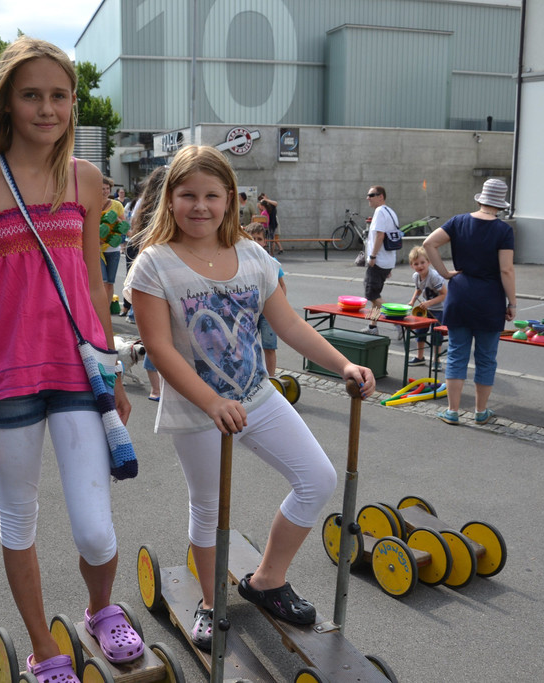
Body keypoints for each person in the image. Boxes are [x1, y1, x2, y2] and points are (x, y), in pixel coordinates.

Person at [125, 145, 375, 652]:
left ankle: (266, 580)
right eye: (188, 195)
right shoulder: (154, 264)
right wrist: (210, 402)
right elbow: (160, 348)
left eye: (212, 195)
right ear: (169, 200)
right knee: (209, 507)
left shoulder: (254, 256)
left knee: (318, 478)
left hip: (257, 396)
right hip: (199, 410)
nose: (200, 206)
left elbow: (289, 324)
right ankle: (210, 602)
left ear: (230, 199)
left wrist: (344, 365)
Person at [0, 36, 138, 682]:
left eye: (59, 95)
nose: (47, 108)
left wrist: (112, 370)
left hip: (79, 371)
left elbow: (94, 284)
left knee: (96, 531)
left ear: (73, 102)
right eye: (32, 95)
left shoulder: (86, 179)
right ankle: (43, 647)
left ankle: (100, 609)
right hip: (6, 378)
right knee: (18, 518)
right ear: (7, 101)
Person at [423, 178, 516, 426]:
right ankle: (480, 412)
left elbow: (428, 243)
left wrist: (444, 273)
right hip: (490, 299)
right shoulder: (504, 231)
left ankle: (452, 411)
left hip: (460, 294)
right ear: (501, 205)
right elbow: (506, 270)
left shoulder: (458, 221)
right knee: (486, 358)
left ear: (480, 200)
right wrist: (512, 303)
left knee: (456, 354)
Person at [125, 165, 170, 398]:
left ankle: (156, 387)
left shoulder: (142, 204)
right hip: (161, 270)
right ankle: (158, 387)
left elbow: (135, 235)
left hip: (146, 268)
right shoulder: (163, 205)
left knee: (154, 335)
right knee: (161, 336)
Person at [245, 222, 286, 374]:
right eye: (252, 239)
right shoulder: (242, 263)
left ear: (264, 242)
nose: (256, 242)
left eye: (259, 239)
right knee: (248, 346)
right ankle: (253, 374)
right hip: (250, 310)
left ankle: (272, 378)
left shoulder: (271, 262)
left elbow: (282, 286)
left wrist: (279, 306)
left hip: (268, 312)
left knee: (269, 347)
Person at [362, 185, 402, 333]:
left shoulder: (379, 212)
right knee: (375, 295)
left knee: (371, 295)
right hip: (387, 261)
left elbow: (380, 236)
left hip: (378, 261)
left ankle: (397, 320)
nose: (368, 198)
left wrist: (372, 256)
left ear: (381, 197)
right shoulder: (391, 212)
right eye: (368, 195)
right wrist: (389, 265)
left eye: (371, 195)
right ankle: (372, 326)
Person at [405, 245, 447, 370]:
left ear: (429, 262)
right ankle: (420, 357)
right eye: (416, 264)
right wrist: (412, 301)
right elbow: (418, 289)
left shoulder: (434, 276)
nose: (420, 266)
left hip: (439, 309)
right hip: (426, 308)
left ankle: (436, 360)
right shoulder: (416, 276)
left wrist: (429, 303)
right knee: (420, 332)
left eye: (422, 262)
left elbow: (444, 294)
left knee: (436, 334)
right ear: (412, 265)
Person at [99, 176, 125, 307]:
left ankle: (107, 310)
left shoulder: (117, 205)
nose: (105, 191)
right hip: (97, 249)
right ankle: (100, 309)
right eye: (102, 189)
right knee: (102, 282)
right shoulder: (92, 203)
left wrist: (117, 220)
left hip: (113, 248)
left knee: (110, 283)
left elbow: (124, 225)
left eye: (107, 188)